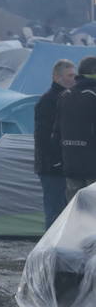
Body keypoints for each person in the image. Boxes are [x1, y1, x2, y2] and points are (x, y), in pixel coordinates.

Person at [35, 59, 76, 227]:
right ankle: (49, 252)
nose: (74, 79)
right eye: (70, 75)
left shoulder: (67, 98)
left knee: (65, 211)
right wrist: (55, 160)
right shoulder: (48, 101)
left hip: (62, 164)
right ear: (57, 77)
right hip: (51, 167)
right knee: (54, 212)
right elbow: (44, 137)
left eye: (75, 75)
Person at [58, 56, 96, 204]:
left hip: (70, 163)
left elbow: (57, 130)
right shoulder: (93, 95)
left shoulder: (65, 95)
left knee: (75, 210)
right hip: (93, 166)